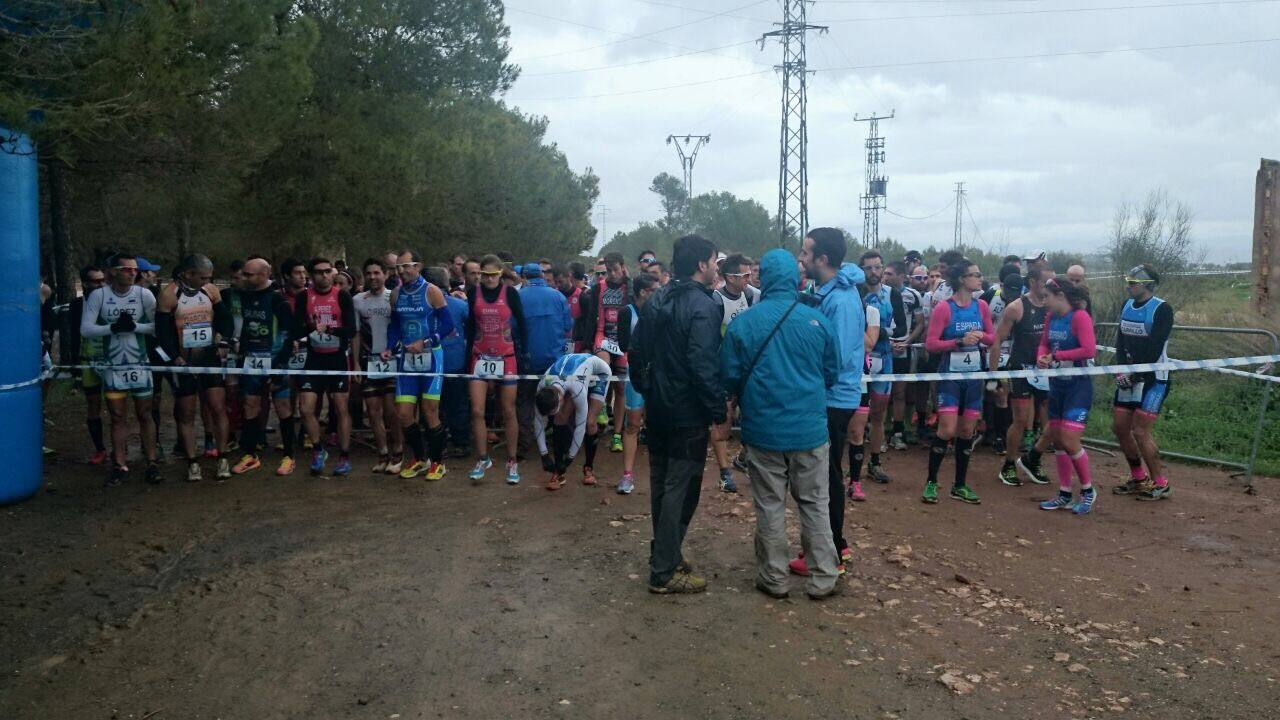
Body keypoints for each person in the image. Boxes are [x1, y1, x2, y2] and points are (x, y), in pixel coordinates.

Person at [722, 248, 841, 601]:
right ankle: (823, 577)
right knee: (815, 503)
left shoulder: (744, 322)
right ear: (796, 279)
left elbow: (729, 375)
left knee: (770, 505)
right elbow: (831, 373)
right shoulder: (818, 322)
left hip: (763, 431)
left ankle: (774, 578)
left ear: (763, 278)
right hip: (810, 431)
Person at [629, 234, 725, 594]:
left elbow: (635, 351)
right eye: (714, 260)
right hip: (687, 412)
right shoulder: (703, 305)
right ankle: (665, 570)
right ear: (702, 264)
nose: (717, 266)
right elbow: (703, 365)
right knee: (681, 490)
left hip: (660, 409)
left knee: (662, 484)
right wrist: (717, 410)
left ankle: (665, 553)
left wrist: (648, 390)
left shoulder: (657, 299)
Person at [794, 227, 865, 576]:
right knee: (824, 472)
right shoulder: (828, 293)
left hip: (834, 397)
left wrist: (806, 381)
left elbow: (835, 357)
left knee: (826, 475)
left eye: (806, 252)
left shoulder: (842, 300)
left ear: (822, 258)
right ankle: (830, 544)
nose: (802, 258)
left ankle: (832, 548)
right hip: (831, 394)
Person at [81, 254, 161, 486]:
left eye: (134, 270)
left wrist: (135, 326)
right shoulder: (99, 295)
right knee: (117, 417)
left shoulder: (143, 294)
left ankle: (152, 462)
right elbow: (86, 329)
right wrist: (113, 328)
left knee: (145, 414)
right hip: (113, 365)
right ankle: (120, 464)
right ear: (113, 271)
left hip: (140, 362)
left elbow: (157, 327)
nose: (132, 273)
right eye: (126, 269)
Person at [922, 257, 994, 505]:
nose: (980, 278)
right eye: (975, 274)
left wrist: (981, 336)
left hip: (974, 377)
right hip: (950, 377)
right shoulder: (945, 308)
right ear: (963, 279)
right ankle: (931, 482)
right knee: (947, 429)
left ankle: (960, 485)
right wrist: (959, 342)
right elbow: (931, 344)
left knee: (966, 430)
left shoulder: (982, 306)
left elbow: (993, 339)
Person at [156, 254, 233, 482]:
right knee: (186, 412)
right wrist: (174, 359)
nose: (206, 281)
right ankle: (192, 462)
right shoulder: (168, 295)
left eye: (209, 277)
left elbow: (225, 320)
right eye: (203, 277)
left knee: (218, 407)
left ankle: (223, 456)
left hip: (209, 358)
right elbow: (161, 335)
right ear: (187, 274)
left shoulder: (210, 291)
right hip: (184, 361)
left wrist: (224, 340)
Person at [384, 250, 453, 480]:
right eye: (398, 268)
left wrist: (425, 342)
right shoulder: (395, 294)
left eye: (406, 266)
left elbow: (447, 325)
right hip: (407, 360)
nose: (401, 271)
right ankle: (420, 458)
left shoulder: (431, 291)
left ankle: (438, 462)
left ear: (418, 266)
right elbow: (394, 325)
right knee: (403, 413)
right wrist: (389, 346)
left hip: (432, 358)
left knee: (429, 411)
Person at [230, 258, 298, 476]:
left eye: (249, 274)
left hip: (275, 360)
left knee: (283, 407)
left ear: (263, 274)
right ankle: (250, 454)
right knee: (250, 406)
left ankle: (289, 455)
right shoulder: (245, 296)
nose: (245, 277)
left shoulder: (279, 301)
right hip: (251, 361)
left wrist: (279, 365)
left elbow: (289, 337)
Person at [1112, 264, 1175, 500]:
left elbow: (1155, 346)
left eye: (1133, 283)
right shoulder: (1126, 305)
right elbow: (1120, 341)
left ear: (1146, 285)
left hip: (1154, 378)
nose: (1128, 287)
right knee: (1119, 427)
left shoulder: (1162, 309)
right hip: (1128, 376)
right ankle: (1139, 478)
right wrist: (1120, 370)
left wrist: (1136, 375)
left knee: (1140, 431)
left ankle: (1161, 482)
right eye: (1127, 282)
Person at [1036, 279, 1099, 515]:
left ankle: (1087, 490)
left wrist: (1056, 356)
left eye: (1046, 297)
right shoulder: (1051, 318)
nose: (1044, 302)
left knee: (1070, 439)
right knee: (1059, 440)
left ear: (1059, 295)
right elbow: (1043, 344)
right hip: (1057, 385)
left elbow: (1089, 349)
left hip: (1078, 386)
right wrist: (1042, 357)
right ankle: (1064, 492)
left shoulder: (1079, 317)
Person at [466, 254, 528, 484]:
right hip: (479, 356)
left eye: (493, 275)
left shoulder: (510, 293)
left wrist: (524, 354)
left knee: (508, 410)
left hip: (507, 357)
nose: (489, 279)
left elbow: (522, 324)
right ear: (480, 275)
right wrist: (466, 358)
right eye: (485, 275)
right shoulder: (474, 293)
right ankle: (483, 458)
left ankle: (512, 460)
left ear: (501, 274)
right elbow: (470, 327)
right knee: (477, 410)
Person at [293, 257, 357, 476]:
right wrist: (309, 327)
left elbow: (351, 330)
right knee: (306, 408)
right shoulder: (304, 297)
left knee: (340, 408)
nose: (324, 275)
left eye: (327, 271)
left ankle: (344, 454)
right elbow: (296, 329)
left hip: (337, 358)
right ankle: (318, 449)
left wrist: (329, 330)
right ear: (312, 276)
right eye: (319, 272)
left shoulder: (342, 296)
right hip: (314, 358)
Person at [992, 264, 1054, 486]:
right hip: (1020, 369)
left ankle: (1033, 460)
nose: (1050, 286)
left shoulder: (1053, 305)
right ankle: (1009, 464)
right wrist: (993, 374)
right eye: (1047, 282)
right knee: (1019, 420)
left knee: (1051, 421)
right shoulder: (1017, 307)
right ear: (1033, 282)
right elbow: (997, 339)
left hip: (1046, 369)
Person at [849, 250, 902, 487]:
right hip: (859, 360)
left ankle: (875, 461)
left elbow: (900, 329)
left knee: (879, 414)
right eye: (868, 268)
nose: (874, 272)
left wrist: (878, 331)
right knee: (854, 414)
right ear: (861, 271)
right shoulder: (854, 294)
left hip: (884, 359)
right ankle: (851, 465)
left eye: (878, 267)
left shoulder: (893, 294)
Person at [709, 253, 760, 493]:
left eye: (751, 273)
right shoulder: (715, 300)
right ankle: (724, 472)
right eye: (745, 275)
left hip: (747, 371)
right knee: (723, 423)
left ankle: (743, 458)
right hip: (724, 372)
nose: (750, 278)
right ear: (730, 277)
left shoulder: (751, 296)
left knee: (755, 419)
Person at [352, 258, 404, 474]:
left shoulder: (393, 297)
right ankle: (382, 453)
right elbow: (355, 334)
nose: (373, 277)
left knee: (392, 411)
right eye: (369, 273)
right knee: (373, 411)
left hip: (392, 360)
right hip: (369, 361)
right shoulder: (358, 300)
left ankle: (398, 452)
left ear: (385, 274)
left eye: (377, 273)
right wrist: (355, 363)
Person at [516, 263, 573, 461]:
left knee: (525, 400)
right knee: (558, 399)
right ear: (541, 275)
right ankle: (562, 442)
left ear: (524, 277)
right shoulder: (558, 296)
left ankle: (524, 444)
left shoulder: (519, 297)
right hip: (554, 360)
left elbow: (513, 329)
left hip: (527, 360)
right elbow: (568, 326)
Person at [533, 352, 614, 490]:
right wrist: (544, 454)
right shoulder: (543, 385)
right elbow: (539, 421)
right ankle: (558, 473)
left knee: (590, 422)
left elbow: (580, 426)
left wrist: (569, 459)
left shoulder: (577, 389)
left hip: (599, 372)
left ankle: (588, 467)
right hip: (571, 376)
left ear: (560, 399)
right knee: (560, 418)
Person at [577, 252, 631, 452]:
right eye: (609, 271)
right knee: (604, 370)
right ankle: (600, 412)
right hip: (603, 336)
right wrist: (588, 343)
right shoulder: (598, 287)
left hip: (623, 339)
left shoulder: (629, 287)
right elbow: (591, 317)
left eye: (616, 269)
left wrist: (629, 279)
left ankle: (617, 434)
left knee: (622, 388)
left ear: (623, 267)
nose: (613, 274)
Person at [616, 273, 660, 494]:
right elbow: (623, 344)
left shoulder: (662, 310)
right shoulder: (627, 312)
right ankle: (627, 475)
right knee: (632, 423)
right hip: (636, 374)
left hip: (659, 375)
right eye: (655, 290)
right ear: (643, 292)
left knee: (659, 423)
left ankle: (661, 475)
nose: (659, 293)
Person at [65, 265, 109, 465]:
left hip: (110, 361)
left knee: (117, 406)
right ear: (85, 283)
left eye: (103, 281)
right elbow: (73, 335)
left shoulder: (111, 299)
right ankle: (100, 449)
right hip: (87, 361)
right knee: (93, 405)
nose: (101, 285)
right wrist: (74, 366)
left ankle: (120, 448)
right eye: (96, 281)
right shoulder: (76, 305)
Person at [427, 266, 471, 458]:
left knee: (433, 406)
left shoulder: (422, 306)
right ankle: (461, 443)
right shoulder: (460, 305)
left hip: (431, 363)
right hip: (454, 361)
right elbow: (471, 330)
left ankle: (439, 444)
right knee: (457, 404)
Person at [885, 260, 924, 450]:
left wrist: (907, 342)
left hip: (903, 348)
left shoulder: (913, 295)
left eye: (889, 274)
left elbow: (920, 323)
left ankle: (898, 432)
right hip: (882, 348)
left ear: (901, 276)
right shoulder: (879, 292)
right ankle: (879, 430)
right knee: (881, 392)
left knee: (899, 392)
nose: (885, 277)